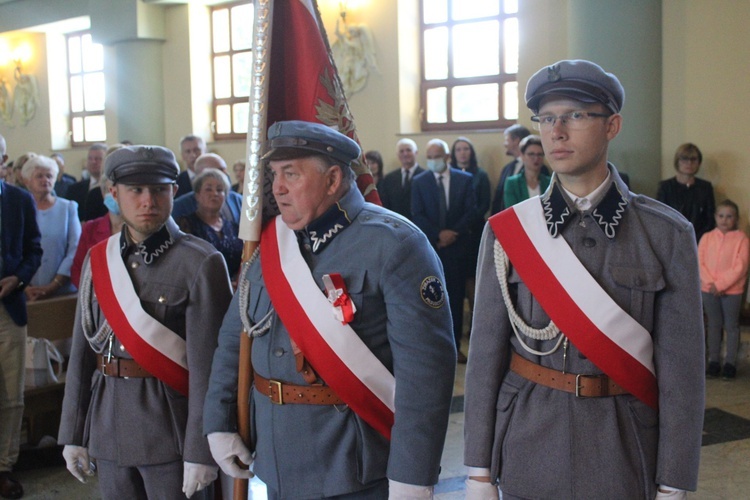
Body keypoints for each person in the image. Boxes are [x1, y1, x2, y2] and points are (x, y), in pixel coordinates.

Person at [464, 60, 705, 499]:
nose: (556, 131)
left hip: (624, 446)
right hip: (528, 440)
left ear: (612, 125)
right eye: (547, 118)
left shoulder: (665, 234)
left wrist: (675, 480)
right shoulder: (507, 232)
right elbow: (484, 358)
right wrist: (479, 471)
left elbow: (682, 376)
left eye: (575, 115)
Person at [203, 121, 456, 498]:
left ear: (334, 178)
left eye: (291, 174)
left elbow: (426, 374)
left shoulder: (396, 244)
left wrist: (412, 476)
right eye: (274, 174)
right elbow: (233, 337)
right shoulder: (273, 244)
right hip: (274, 457)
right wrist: (219, 421)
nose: (277, 188)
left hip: (350, 465)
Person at [58, 145, 233, 499]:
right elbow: (81, 352)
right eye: (135, 191)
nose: (147, 201)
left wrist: (201, 451)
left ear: (174, 191)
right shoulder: (99, 259)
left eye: (158, 190)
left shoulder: (201, 262)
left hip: (171, 432)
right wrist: (73, 434)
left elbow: (211, 370)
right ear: (113, 194)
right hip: (107, 427)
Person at [0, 133, 43, 500]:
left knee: (11, 393)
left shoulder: (18, 199)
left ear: (4, 160)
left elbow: (34, 249)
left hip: (8, 306)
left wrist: (20, 277)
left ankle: (3, 467)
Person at [412, 138, 476, 363]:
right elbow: (417, 214)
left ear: (447, 157)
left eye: (436, 156)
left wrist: (451, 234)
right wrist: (438, 234)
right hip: (432, 248)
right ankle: (432, 348)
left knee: (456, 301)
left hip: (457, 249)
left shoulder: (465, 180)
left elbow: (471, 212)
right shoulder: (419, 182)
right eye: (429, 157)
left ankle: (455, 347)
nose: (432, 161)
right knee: (431, 299)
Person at [699, 199, 749, 380]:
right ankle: (714, 361)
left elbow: (740, 266)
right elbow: (700, 262)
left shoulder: (742, 239)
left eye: (729, 216)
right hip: (708, 289)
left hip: (732, 291)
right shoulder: (707, 237)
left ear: (735, 219)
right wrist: (711, 283)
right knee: (713, 325)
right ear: (715, 217)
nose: (724, 220)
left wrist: (720, 285)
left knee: (731, 326)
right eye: (721, 216)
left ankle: (730, 363)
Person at [21, 154, 81, 300]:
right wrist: (24, 285)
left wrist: (54, 285)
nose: (45, 180)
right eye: (39, 176)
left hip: (63, 290)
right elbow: (14, 249)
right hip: (25, 291)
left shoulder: (68, 207)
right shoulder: (19, 210)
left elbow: (75, 248)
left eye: (49, 176)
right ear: (27, 180)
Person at [450, 137, 490, 332]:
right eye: (459, 149)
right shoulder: (448, 175)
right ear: (453, 153)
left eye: (466, 149)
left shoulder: (480, 175)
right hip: (453, 237)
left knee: (473, 281)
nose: (463, 153)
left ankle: (476, 327)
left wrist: (464, 224)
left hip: (473, 234)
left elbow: (483, 205)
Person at [175, 169, 243, 285]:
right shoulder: (186, 225)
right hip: (200, 289)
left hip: (235, 291)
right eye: (208, 189)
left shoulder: (234, 227)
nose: (215, 194)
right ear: (197, 195)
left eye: (220, 190)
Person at [69, 177, 124, 288]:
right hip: (95, 297)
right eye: (109, 190)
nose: (114, 195)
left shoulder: (139, 229)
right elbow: (77, 270)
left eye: (118, 191)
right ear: (103, 194)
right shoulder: (90, 228)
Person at [657, 142, 716, 242]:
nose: (689, 163)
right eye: (684, 159)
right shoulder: (665, 187)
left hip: (699, 241)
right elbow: (660, 217)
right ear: (677, 161)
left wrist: (695, 239)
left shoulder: (705, 188)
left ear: (699, 163)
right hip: (671, 240)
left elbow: (710, 220)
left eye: (693, 159)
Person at [173, 153, 243, 225]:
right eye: (220, 170)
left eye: (225, 169)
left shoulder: (238, 200)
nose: (226, 174)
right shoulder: (180, 206)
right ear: (201, 174)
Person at [378, 138, 424, 220]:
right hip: (395, 225)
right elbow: (386, 205)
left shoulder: (425, 177)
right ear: (398, 155)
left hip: (419, 226)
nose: (405, 154)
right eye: (401, 151)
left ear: (416, 153)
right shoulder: (389, 178)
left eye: (408, 150)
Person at [502, 134, 552, 208]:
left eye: (540, 154)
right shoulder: (512, 183)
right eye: (531, 154)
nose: (536, 158)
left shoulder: (549, 182)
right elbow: (511, 210)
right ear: (522, 156)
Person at [491, 124, 529, 214]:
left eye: (507, 140)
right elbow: (499, 198)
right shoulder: (507, 168)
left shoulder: (537, 168)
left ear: (516, 141)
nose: (505, 144)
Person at [64, 143, 106, 220]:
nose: (93, 162)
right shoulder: (74, 189)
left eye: (98, 159)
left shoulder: (111, 188)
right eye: (90, 158)